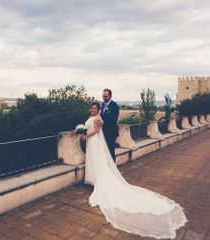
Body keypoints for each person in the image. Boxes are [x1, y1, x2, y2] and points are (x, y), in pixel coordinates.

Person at [80, 101, 187, 239]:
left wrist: (85, 135)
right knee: (92, 161)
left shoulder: (98, 119)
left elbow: (96, 131)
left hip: (94, 141)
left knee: (97, 161)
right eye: (92, 108)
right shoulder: (91, 117)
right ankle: (92, 179)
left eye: (95, 108)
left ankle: (98, 180)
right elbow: (89, 128)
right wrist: (81, 130)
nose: (93, 110)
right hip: (91, 143)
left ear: (97, 109)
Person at [100, 89, 119, 161]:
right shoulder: (102, 105)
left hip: (111, 133)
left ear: (110, 96)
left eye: (106, 96)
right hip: (103, 132)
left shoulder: (115, 106)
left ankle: (113, 168)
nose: (104, 98)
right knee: (104, 151)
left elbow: (113, 120)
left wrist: (102, 123)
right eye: (103, 96)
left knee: (111, 151)